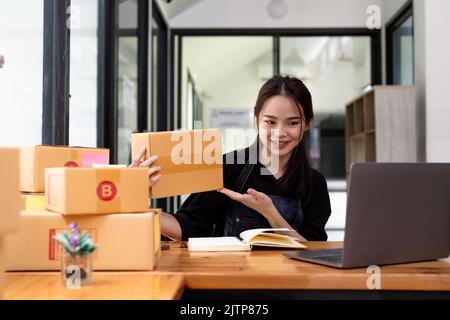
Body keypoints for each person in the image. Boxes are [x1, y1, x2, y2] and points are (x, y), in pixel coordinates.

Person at [130, 75, 331, 241]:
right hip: (233, 284)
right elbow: (187, 226)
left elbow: (312, 248)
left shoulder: (315, 183)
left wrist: (270, 212)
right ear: (257, 121)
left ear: (306, 125)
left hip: (292, 286)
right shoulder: (227, 167)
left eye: (292, 123)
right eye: (270, 122)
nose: (280, 132)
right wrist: (135, 198)